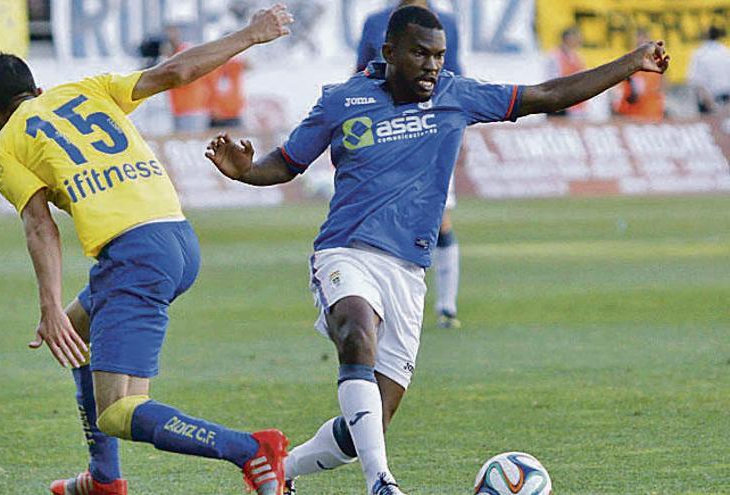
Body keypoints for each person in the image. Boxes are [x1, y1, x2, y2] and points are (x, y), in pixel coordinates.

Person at [204, 6, 669, 494]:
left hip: (408, 271)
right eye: (420, 54)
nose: (432, 65)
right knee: (356, 333)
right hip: (347, 251)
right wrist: (246, 172)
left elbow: (548, 95)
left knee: (367, 427)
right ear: (390, 53)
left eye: (439, 55)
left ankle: (281, 471)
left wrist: (631, 62)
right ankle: (380, 483)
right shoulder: (342, 101)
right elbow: (287, 162)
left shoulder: (456, 95)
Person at [0, 5, 295, 495]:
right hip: (177, 239)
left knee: (119, 412)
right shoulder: (88, 88)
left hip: (134, 256)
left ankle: (251, 450)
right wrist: (251, 34)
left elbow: (40, 226)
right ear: (37, 91)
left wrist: (47, 308)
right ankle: (104, 479)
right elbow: (177, 70)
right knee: (78, 335)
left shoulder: (5, 150)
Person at [356, 0, 463, 329]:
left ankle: (446, 305)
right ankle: (380, 301)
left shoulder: (445, 22)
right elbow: (360, 72)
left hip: (429, 133)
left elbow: (455, 74)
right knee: (381, 215)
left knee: (439, 219)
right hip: (383, 135)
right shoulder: (375, 21)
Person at [165, 25, 213, 133]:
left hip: (193, 108)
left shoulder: (185, 51)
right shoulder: (170, 54)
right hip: (178, 109)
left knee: (194, 142)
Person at [614, 28, 665, 122]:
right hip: (631, 112)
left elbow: (663, 83)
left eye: (643, 40)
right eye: (639, 40)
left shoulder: (657, 59)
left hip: (652, 110)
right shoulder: (629, 59)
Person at [546, 26, 587, 118]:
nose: (579, 40)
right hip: (560, 102)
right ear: (568, 38)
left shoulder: (577, 56)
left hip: (576, 103)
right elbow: (552, 79)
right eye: (576, 37)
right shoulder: (554, 56)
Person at [688, 26, 730, 114]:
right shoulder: (726, 52)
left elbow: (696, 81)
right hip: (726, 100)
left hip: (708, 100)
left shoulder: (699, 53)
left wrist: (710, 105)